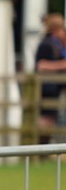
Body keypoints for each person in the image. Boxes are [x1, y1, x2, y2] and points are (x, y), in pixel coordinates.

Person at [34, 13, 66, 145]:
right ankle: (41, 149)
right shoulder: (47, 44)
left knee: (51, 120)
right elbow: (41, 65)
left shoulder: (57, 44)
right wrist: (62, 65)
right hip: (47, 89)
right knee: (46, 121)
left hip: (53, 89)